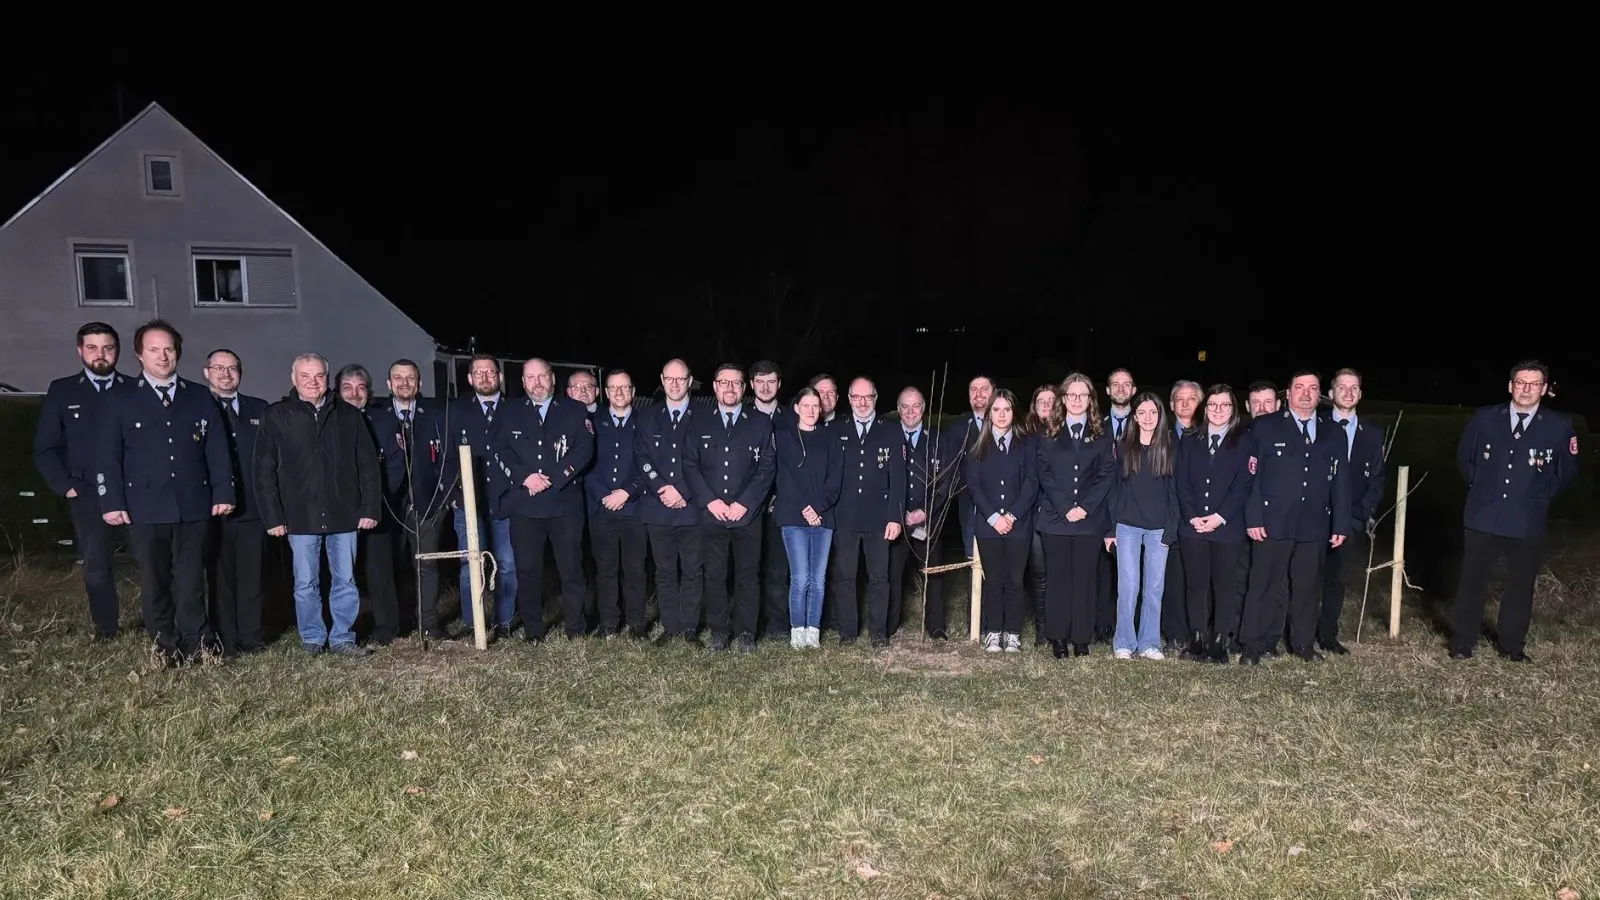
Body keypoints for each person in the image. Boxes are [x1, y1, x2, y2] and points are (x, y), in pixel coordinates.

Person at [95, 320, 234, 665]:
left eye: (169, 349)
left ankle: (196, 643)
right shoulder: (120, 398)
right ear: (140, 355)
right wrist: (111, 501)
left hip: (193, 505)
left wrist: (223, 492)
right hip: (144, 506)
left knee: (191, 580)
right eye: (154, 349)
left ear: (178, 353)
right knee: (155, 581)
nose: (162, 356)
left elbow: (216, 450)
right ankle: (165, 646)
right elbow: (107, 455)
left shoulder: (199, 396)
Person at [1450, 360, 1579, 662]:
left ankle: (1511, 646)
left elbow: (1567, 472)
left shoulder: (1559, 427)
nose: (1526, 389)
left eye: (1534, 384)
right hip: (1483, 515)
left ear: (1544, 389)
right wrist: (1483, 490)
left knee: (1520, 585)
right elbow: (1464, 459)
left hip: (1526, 520)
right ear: (1510, 386)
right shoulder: (1484, 418)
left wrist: (1537, 497)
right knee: (1472, 581)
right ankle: (1462, 643)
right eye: (1521, 382)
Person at [254, 353, 381, 657]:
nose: (313, 383)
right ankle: (312, 638)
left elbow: (367, 466)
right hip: (299, 516)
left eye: (319, 376)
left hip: (344, 514)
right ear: (293, 379)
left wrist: (370, 508)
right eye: (305, 376)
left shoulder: (349, 415)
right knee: (305, 582)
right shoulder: (277, 416)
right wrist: (273, 516)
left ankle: (342, 639)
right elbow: (262, 470)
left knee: (345, 580)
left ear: (328, 378)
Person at [34, 322, 129, 641]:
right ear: (80, 350)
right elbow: (46, 449)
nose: (100, 355)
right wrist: (67, 486)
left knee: (153, 560)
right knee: (98, 566)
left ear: (118, 351)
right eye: (92, 347)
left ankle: (161, 622)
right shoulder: (63, 391)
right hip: (87, 493)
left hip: (133, 491)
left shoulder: (133, 389)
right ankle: (107, 629)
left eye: (108, 347)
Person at [1035, 373, 1116, 659]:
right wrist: (1065, 506)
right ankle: (1058, 637)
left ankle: (1082, 638)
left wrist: (1086, 507)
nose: (1077, 400)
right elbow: (1044, 473)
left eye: (1083, 395)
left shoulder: (1102, 434)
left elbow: (1107, 474)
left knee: (1084, 579)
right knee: (1058, 579)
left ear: (1091, 399)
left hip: (1089, 519)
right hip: (1056, 519)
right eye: (1072, 394)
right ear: (1063, 399)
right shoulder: (1048, 433)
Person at [1175, 384, 1252, 663]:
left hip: (1227, 527)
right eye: (1212, 405)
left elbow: (1243, 484)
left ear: (1233, 410)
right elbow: (1181, 482)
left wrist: (1218, 518)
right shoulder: (1190, 439)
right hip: (1192, 527)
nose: (1218, 411)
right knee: (1196, 584)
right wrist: (1193, 516)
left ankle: (1219, 641)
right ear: (1204, 409)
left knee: (1224, 585)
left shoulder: (1244, 441)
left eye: (1224, 405)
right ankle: (1196, 639)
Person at [201, 349, 270, 657]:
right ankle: (226, 641)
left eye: (232, 368)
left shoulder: (260, 408)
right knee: (220, 578)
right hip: (213, 510)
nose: (226, 374)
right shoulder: (197, 407)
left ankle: (251, 638)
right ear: (207, 373)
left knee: (252, 577)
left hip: (253, 510)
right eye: (219, 368)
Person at [1105, 392, 1180, 660]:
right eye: (1142, 413)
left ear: (1160, 416)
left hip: (1159, 529)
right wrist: (1109, 530)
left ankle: (1150, 643)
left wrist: (1171, 529)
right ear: (1134, 417)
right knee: (1128, 587)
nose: (1148, 418)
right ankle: (1124, 641)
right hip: (1127, 527)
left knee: (1154, 589)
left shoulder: (1171, 447)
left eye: (1153, 413)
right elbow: (1113, 491)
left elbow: (1175, 492)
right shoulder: (1123, 447)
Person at [965, 389, 1038, 652]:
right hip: (988, 525)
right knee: (994, 580)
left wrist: (1013, 515)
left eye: (1007, 409)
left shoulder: (1026, 443)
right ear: (989, 413)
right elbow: (974, 486)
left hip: (1019, 525)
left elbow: (1032, 482)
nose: (1001, 414)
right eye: (996, 410)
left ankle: (1013, 634)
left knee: (1015, 581)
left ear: (1014, 412)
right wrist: (995, 517)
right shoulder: (978, 445)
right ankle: (994, 632)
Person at [772, 387, 841, 648]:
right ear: (797, 408)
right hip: (793, 516)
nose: (812, 411)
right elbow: (783, 478)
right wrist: (805, 507)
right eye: (806, 405)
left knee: (818, 579)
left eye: (816, 406)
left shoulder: (830, 438)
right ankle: (797, 631)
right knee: (800, 578)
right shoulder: (784, 438)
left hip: (824, 517)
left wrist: (819, 508)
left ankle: (813, 630)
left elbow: (835, 479)